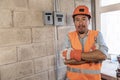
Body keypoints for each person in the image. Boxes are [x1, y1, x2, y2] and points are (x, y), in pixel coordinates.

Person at [61, 5, 108, 80]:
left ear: (89, 21)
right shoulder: (69, 36)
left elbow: (103, 55)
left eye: (84, 19)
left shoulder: (97, 35)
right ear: (74, 22)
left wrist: (75, 54)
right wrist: (93, 57)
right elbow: (66, 60)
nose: (80, 23)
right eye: (77, 20)